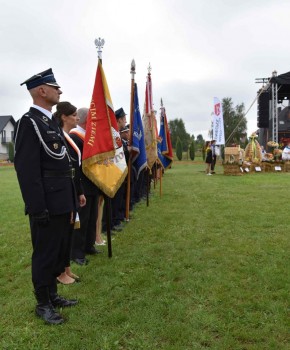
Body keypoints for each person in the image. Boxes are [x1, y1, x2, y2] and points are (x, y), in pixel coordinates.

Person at [14, 69, 78, 325]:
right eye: (55, 87)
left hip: (63, 200)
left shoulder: (51, 122)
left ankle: (52, 295)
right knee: (44, 253)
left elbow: (63, 164)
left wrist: (75, 195)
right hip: (47, 204)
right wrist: (37, 207)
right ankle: (42, 304)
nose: (59, 91)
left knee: (60, 250)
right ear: (41, 90)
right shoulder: (28, 123)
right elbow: (27, 170)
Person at [53, 101, 86, 284]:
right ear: (64, 117)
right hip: (63, 191)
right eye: (74, 115)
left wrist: (79, 192)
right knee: (63, 232)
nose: (77, 118)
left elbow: (76, 170)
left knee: (69, 230)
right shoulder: (60, 137)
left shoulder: (68, 137)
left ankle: (67, 269)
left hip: (72, 189)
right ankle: (60, 273)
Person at [70, 107, 101, 265]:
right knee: (81, 220)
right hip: (82, 184)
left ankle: (89, 246)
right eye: (91, 119)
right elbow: (76, 165)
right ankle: (77, 252)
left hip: (93, 183)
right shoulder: (75, 137)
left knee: (92, 217)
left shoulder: (88, 136)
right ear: (85, 120)